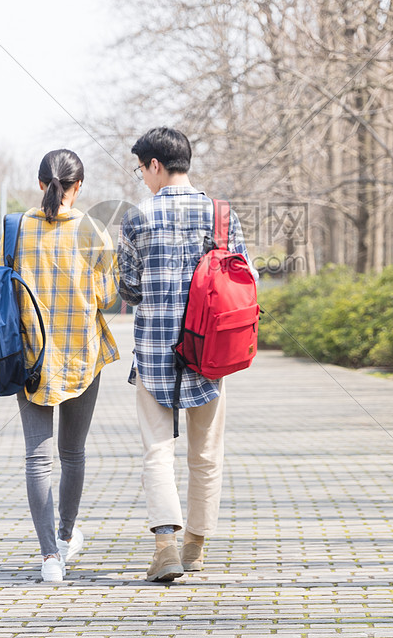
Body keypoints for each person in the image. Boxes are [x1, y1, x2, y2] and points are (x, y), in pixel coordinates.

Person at [117, 127, 253, 582]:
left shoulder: (137, 218)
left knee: (158, 450)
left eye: (141, 169)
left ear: (155, 165)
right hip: (209, 351)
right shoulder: (221, 214)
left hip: (155, 353)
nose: (143, 178)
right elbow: (243, 275)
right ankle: (195, 547)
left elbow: (129, 289)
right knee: (207, 453)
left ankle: (165, 549)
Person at [3, 148, 119, 583]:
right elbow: (108, 298)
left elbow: (6, 287)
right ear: (79, 186)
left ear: (40, 184)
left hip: (30, 357)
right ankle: (66, 539)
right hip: (82, 357)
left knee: (38, 458)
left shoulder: (14, 229)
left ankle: (50, 558)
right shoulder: (95, 232)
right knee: (72, 453)